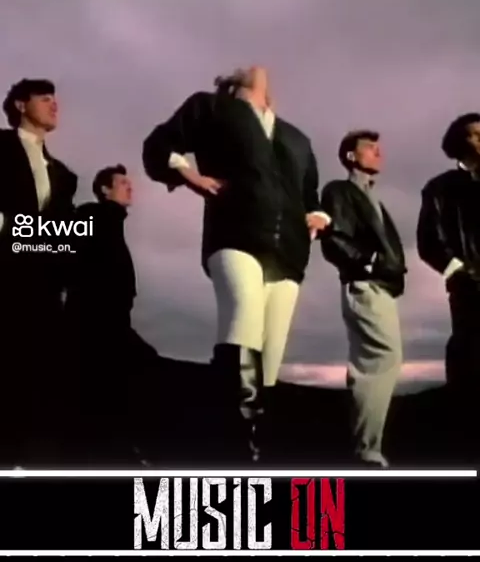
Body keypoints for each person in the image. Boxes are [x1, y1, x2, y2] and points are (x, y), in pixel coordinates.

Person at [142, 66, 330, 462]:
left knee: (271, 348)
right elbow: (159, 144)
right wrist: (187, 174)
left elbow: (310, 191)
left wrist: (317, 216)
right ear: (232, 84)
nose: (260, 67)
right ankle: (230, 446)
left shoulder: (296, 137)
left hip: (289, 250)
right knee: (244, 312)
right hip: (235, 232)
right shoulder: (211, 107)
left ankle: (256, 448)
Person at [0, 78, 77, 464]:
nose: (54, 104)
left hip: (42, 289)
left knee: (36, 380)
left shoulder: (64, 175)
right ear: (20, 105)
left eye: (55, 99)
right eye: (44, 98)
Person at [319, 130, 406, 468]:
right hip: (365, 284)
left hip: (379, 286)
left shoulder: (372, 198)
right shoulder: (339, 190)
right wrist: (369, 263)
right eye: (370, 148)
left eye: (378, 147)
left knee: (377, 362)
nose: (378, 152)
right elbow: (333, 239)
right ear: (351, 157)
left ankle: (366, 447)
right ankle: (366, 451)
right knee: (381, 360)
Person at [65, 164, 157, 457]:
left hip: (112, 322)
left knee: (128, 375)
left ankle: (116, 446)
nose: (130, 187)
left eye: (130, 183)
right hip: (93, 323)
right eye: (122, 182)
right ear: (105, 189)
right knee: (109, 382)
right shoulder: (93, 216)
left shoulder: (112, 224)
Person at [417, 112, 480, 460]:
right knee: (470, 363)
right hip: (471, 292)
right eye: (474, 134)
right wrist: (462, 272)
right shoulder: (440, 188)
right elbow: (429, 241)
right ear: (458, 143)